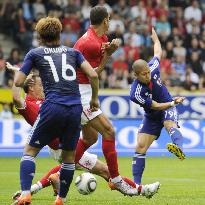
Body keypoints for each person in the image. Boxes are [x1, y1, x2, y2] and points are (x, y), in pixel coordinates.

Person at [73, 5, 160, 197]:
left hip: (82, 90)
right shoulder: (90, 43)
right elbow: (94, 74)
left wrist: (109, 49)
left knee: (90, 138)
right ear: (105, 20)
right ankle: (116, 180)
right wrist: (109, 55)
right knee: (109, 131)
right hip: (80, 92)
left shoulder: (99, 39)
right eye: (109, 19)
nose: (110, 22)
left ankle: (64, 168)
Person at [12, 16, 99, 205]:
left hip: (53, 106)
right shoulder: (73, 53)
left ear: (40, 35)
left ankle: (26, 193)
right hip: (75, 108)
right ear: (60, 33)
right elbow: (93, 74)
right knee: (69, 158)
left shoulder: (35, 53)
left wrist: (18, 82)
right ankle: (61, 198)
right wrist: (94, 99)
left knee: (29, 151)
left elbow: (18, 84)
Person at [130, 28, 186, 185]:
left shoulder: (152, 67)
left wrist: (155, 40)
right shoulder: (136, 93)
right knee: (140, 146)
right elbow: (155, 106)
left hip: (168, 108)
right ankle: (137, 185)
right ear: (136, 75)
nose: (148, 76)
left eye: (148, 72)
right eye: (144, 74)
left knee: (169, 124)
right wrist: (173, 102)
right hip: (155, 112)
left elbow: (157, 53)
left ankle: (179, 148)